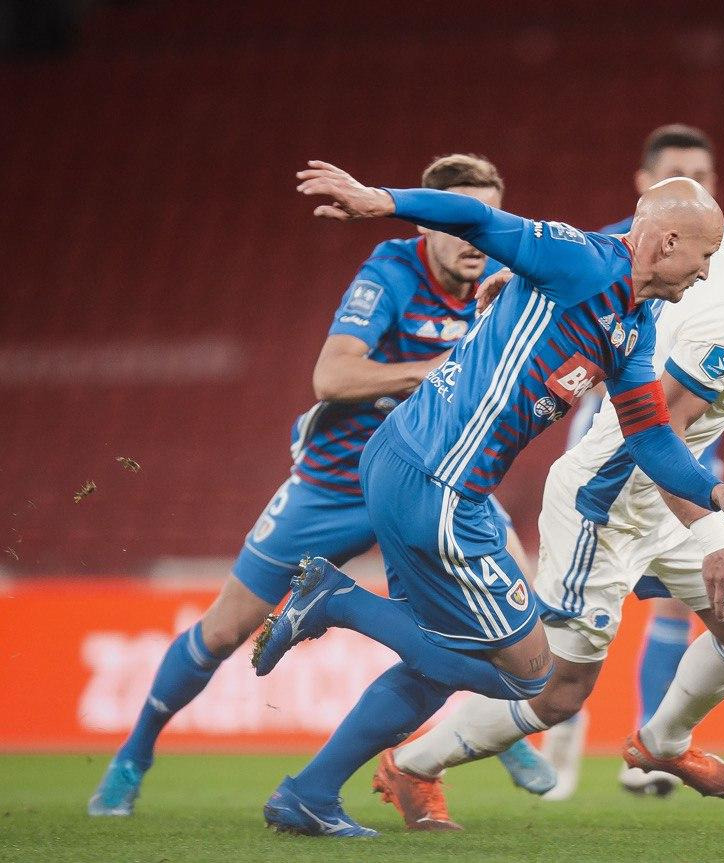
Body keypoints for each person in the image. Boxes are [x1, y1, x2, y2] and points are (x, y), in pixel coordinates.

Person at [249, 160, 724, 837]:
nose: (704, 273)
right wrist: (380, 199)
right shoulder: (581, 259)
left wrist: (716, 489)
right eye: (703, 256)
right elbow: (477, 218)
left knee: (434, 662)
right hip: (437, 482)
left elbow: (649, 435)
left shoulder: (634, 326)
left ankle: (309, 793)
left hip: (413, 467)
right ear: (668, 242)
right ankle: (337, 600)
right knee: (531, 676)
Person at [376, 171, 724, 827]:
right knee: (558, 693)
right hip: (606, 503)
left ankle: (661, 744)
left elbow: (628, 240)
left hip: (663, 500)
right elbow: (658, 433)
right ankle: (412, 764)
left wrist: (524, 277)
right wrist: (716, 538)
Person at [86, 154, 527, 817]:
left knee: (511, 621)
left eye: (484, 221)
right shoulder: (390, 273)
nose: (473, 237)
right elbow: (333, 377)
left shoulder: (507, 281)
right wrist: (437, 369)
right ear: (425, 223)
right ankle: (134, 754)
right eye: (457, 221)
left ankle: (481, 732)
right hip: (336, 484)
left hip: (430, 483)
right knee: (224, 631)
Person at [548, 122, 722, 799]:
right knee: (575, 608)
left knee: (679, 598)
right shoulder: (607, 251)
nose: (692, 186)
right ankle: (560, 720)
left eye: (702, 176)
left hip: (687, 444)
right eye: (677, 174)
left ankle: (647, 750)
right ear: (644, 185)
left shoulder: (723, 255)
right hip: (613, 446)